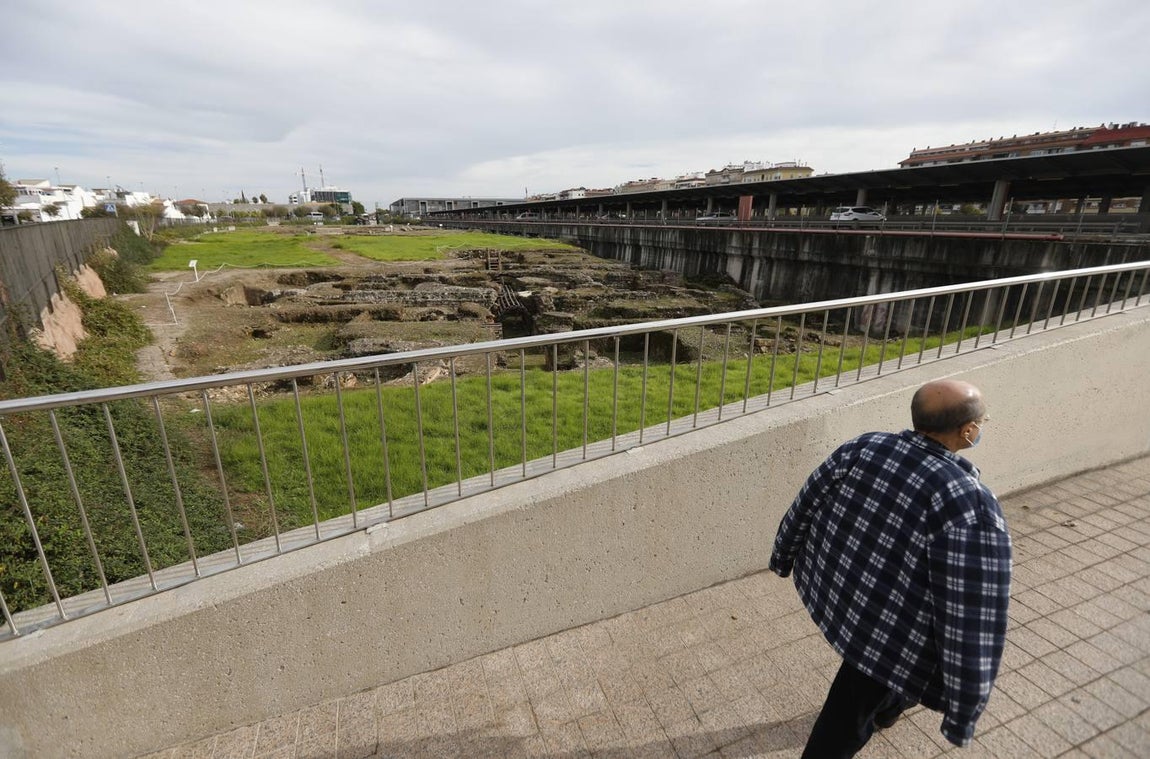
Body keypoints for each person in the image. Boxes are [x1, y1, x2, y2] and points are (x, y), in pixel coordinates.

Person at [769, 379, 1012, 757]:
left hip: (846, 598)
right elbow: (973, 615)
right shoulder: (970, 506)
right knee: (847, 714)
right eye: (983, 421)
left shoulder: (865, 447)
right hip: (890, 632)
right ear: (968, 431)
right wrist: (964, 713)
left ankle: (889, 710)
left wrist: (783, 556)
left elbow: (807, 501)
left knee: (878, 688)